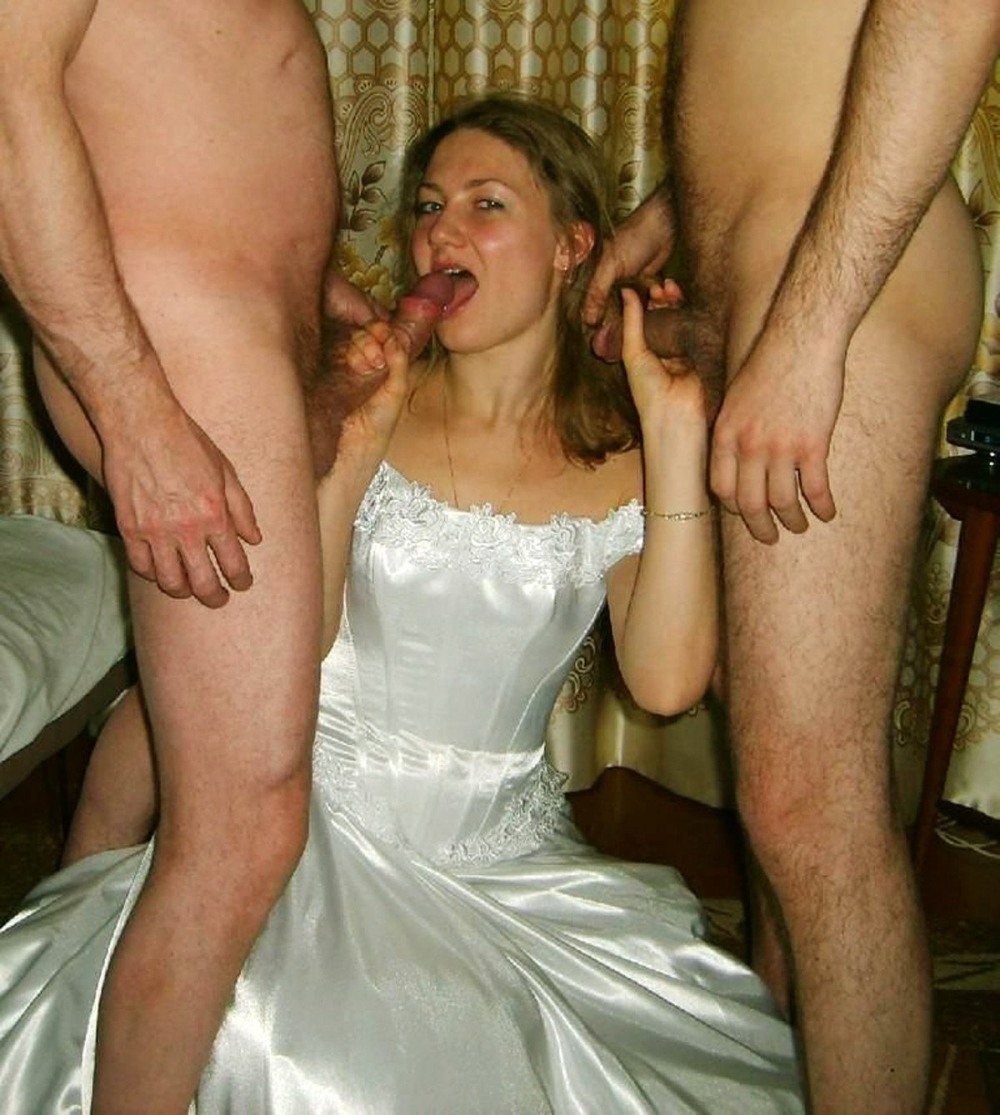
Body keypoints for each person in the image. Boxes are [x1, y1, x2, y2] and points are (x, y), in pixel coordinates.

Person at [0, 94, 804, 1112]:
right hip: (304, 821)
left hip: (504, 862)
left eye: (485, 204)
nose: (440, 232)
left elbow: (665, 679)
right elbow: (290, 641)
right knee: (272, 1029)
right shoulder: (364, 399)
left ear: (572, 246)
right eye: (428, 205)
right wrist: (348, 452)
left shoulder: (623, 454)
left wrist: (676, 435)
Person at [583, 3, 1000, 1111]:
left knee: (810, 801)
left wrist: (812, 332)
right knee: (776, 771)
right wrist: (679, 210)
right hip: (771, 271)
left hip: (835, 292)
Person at [0, 5, 376, 1112]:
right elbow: (8, 105)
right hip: (178, 349)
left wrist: (314, 297)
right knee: (243, 832)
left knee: (222, 781)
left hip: (225, 337)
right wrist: (137, 412)